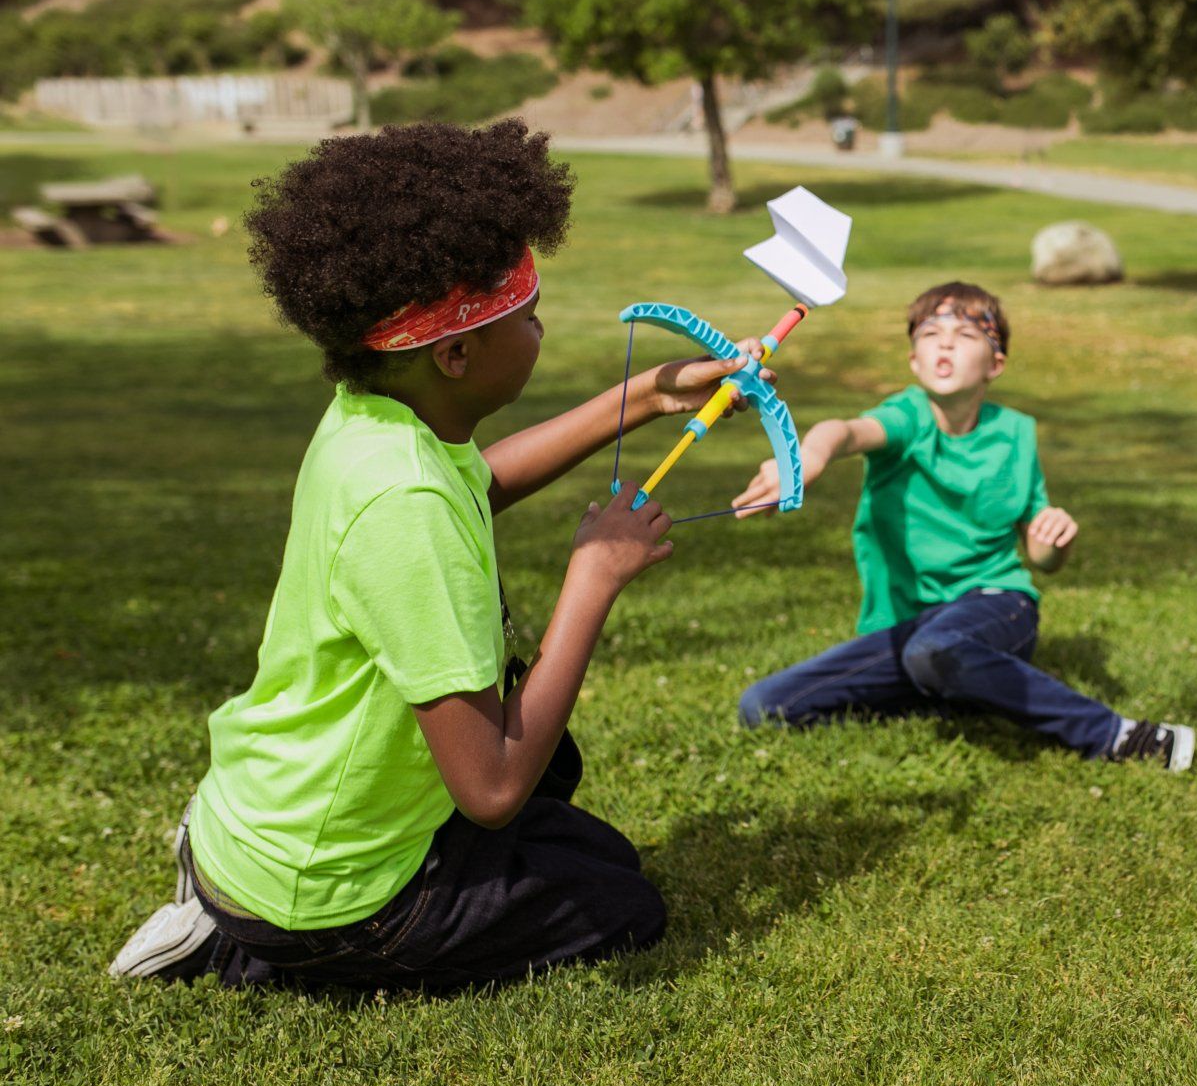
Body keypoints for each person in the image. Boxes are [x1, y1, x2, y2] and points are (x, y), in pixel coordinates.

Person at [110, 120, 765, 987]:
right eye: (529, 320)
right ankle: (242, 947)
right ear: (457, 353)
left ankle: (237, 880)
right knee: (622, 908)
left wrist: (644, 396)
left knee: (589, 842)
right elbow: (490, 787)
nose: (543, 331)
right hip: (328, 890)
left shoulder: (376, 423)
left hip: (272, 808)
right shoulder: (404, 504)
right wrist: (593, 578)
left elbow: (479, 483)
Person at [732, 282, 1196, 770]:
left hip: (996, 603)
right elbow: (845, 432)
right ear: (914, 360)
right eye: (931, 333)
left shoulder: (1015, 433)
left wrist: (1052, 540)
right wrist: (806, 457)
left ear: (995, 364)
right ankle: (961, 686)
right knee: (762, 707)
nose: (946, 342)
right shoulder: (907, 417)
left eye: (967, 334)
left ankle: (1121, 736)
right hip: (904, 629)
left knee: (935, 650)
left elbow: (1042, 559)